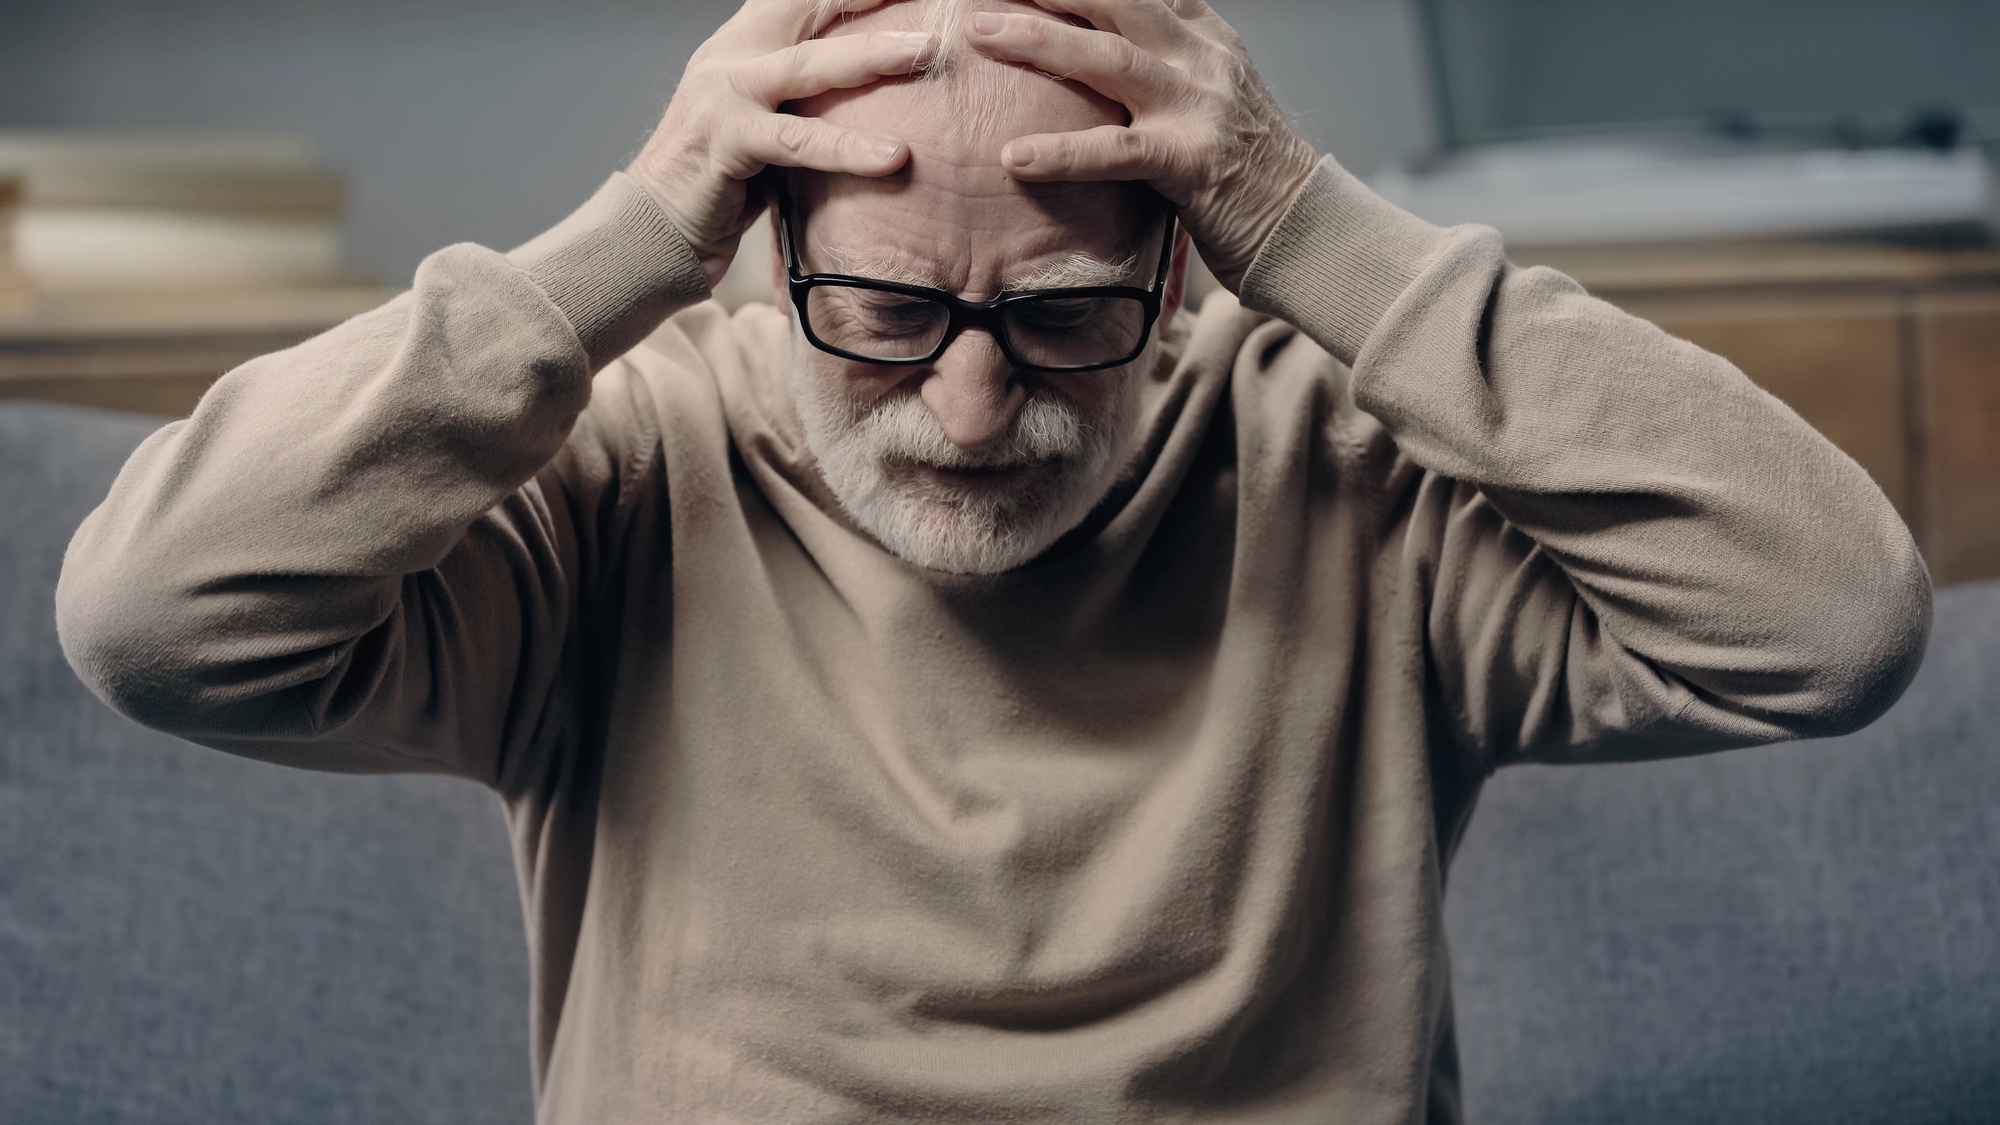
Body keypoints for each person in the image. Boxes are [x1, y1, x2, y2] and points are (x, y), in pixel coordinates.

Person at [55, 0, 1931, 1121]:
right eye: (877, 307)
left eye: (1056, 315)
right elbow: (153, 616)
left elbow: (1833, 619)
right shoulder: (622, 475)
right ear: (761, 243)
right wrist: (618, 244)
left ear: (1183, 267)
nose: (966, 409)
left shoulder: (1343, 471)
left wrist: (1316, 226)